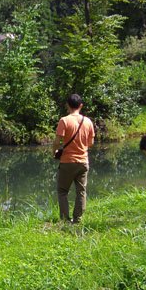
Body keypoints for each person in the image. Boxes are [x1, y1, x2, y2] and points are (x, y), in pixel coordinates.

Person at [52, 94, 95, 223]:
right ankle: (78, 218)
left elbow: (57, 141)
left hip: (67, 162)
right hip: (83, 161)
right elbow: (90, 143)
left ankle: (65, 219)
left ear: (67, 105)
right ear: (81, 106)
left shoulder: (64, 120)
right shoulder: (88, 121)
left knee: (62, 191)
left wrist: (54, 152)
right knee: (81, 191)